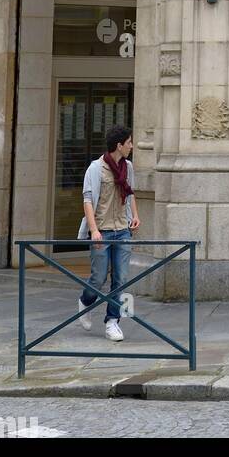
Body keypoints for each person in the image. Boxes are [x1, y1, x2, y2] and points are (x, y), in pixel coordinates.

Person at [77, 124, 140, 342]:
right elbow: (87, 201)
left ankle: (112, 321)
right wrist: (94, 230)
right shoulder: (95, 168)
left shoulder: (128, 167)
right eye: (129, 142)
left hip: (122, 230)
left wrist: (135, 216)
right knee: (98, 278)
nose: (132, 146)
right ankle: (85, 303)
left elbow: (130, 195)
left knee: (121, 279)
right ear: (119, 145)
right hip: (102, 231)